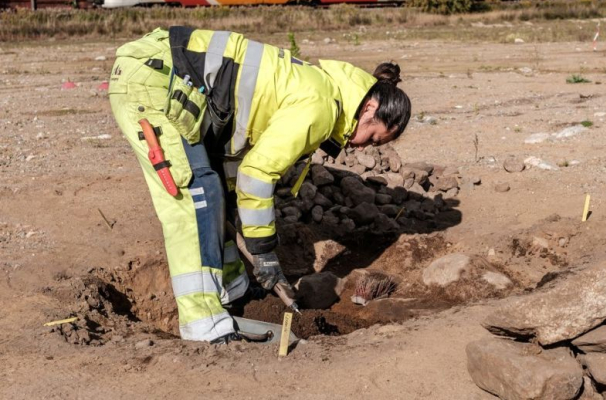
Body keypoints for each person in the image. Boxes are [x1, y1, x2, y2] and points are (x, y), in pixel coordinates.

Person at [108, 27, 411, 343]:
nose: (365, 146)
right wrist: (264, 253)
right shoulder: (320, 106)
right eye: (374, 136)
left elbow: (239, 158)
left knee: (217, 193)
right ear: (370, 109)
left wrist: (241, 213)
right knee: (197, 195)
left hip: (171, 81)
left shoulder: (323, 92)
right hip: (153, 80)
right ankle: (204, 325)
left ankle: (234, 290)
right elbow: (256, 174)